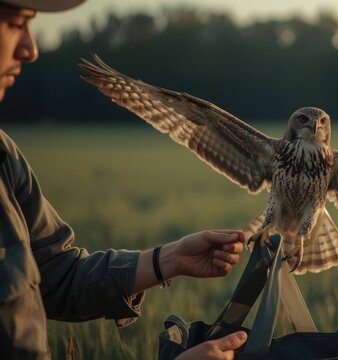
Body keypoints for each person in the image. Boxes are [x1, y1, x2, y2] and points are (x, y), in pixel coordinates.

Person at [0, 1, 248, 359]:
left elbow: (58, 276)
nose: (31, 49)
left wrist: (170, 258)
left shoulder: (4, 157)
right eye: (15, 23)